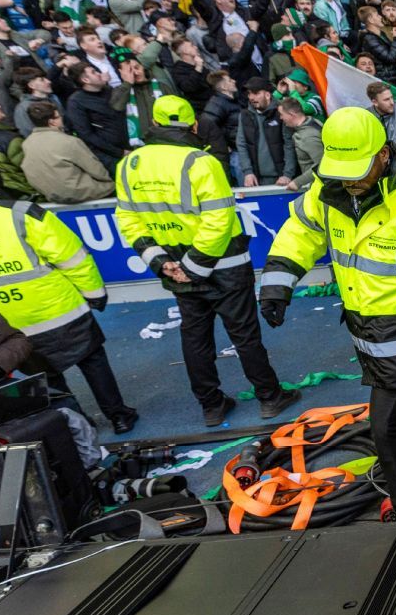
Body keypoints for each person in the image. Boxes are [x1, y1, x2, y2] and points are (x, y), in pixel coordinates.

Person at [258, 107, 396, 520]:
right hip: (366, 325)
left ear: (384, 154)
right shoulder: (328, 189)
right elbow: (301, 231)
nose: (350, 181)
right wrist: (278, 281)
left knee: (387, 428)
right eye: (341, 170)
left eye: (357, 169)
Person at [115, 95, 300, 427]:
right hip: (222, 265)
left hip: (175, 266)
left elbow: (127, 220)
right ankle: (270, 397)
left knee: (195, 337)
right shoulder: (201, 162)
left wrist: (163, 264)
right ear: (194, 125)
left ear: (154, 124)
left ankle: (211, 406)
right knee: (244, 334)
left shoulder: (129, 165)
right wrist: (193, 266)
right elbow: (218, 220)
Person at [0, 151, 138, 433]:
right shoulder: (21, 212)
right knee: (93, 362)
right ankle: (119, 416)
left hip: (8, 327)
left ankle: (80, 427)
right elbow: (73, 256)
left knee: (47, 379)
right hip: (61, 311)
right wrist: (94, 294)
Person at [20, 102, 115, 203]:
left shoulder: (27, 144)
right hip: (82, 192)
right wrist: (109, 183)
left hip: (52, 195)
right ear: (52, 122)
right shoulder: (69, 141)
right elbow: (96, 170)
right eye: (59, 116)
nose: (62, 118)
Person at [65, 62, 127, 174]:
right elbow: (86, 134)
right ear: (86, 80)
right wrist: (119, 152)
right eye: (94, 72)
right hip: (111, 155)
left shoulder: (108, 90)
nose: (99, 74)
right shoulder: (76, 102)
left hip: (128, 145)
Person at [237, 76, 297, 188]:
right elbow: (241, 144)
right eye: (249, 93)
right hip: (256, 179)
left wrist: (288, 174)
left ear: (268, 95)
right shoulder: (244, 115)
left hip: (282, 179)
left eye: (256, 93)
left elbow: (289, 144)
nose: (251, 97)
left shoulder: (280, 113)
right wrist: (248, 172)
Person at [277, 97, 323, 191]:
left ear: (291, 115)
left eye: (282, 115)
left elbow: (322, 165)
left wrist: (298, 182)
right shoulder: (313, 123)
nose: (281, 118)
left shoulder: (308, 137)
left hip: (320, 189)